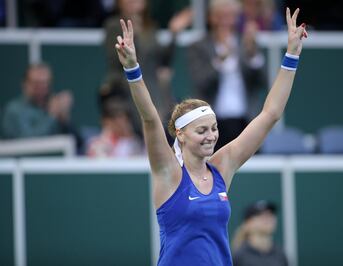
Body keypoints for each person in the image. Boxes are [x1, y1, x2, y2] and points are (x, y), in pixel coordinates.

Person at [114, 5, 306, 265]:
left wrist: (291, 55)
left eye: (214, 128)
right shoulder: (168, 172)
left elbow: (270, 114)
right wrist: (132, 69)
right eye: (201, 130)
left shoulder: (221, 167)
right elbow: (149, 118)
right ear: (180, 135)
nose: (211, 136)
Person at [187, 0, 268, 150]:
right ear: (211, 18)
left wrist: (253, 54)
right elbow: (201, 82)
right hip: (212, 124)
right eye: (221, 16)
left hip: (246, 121)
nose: (225, 21)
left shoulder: (246, 42)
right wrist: (220, 61)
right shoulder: (198, 46)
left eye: (230, 16)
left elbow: (262, 82)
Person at [103, 0, 192, 131]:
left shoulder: (150, 26)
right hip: (126, 88)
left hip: (152, 87)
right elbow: (117, 61)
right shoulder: (113, 25)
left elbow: (162, 59)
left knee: (162, 124)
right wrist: (134, 35)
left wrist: (174, 33)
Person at [2, 63, 77, 140]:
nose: (41, 88)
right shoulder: (14, 110)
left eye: (45, 83)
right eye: (37, 84)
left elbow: (76, 142)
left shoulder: (52, 104)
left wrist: (64, 121)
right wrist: (51, 115)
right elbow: (27, 142)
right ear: (25, 84)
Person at [232, 201, 288, 266]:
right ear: (248, 223)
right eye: (261, 215)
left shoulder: (280, 254)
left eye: (271, 214)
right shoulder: (238, 257)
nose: (268, 218)